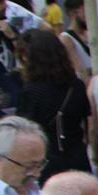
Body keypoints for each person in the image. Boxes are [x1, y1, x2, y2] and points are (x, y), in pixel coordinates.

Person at [14, 29, 91, 182]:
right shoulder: (76, 85)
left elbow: (24, 128)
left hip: (46, 160)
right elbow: (86, 122)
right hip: (77, 155)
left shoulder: (31, 91)